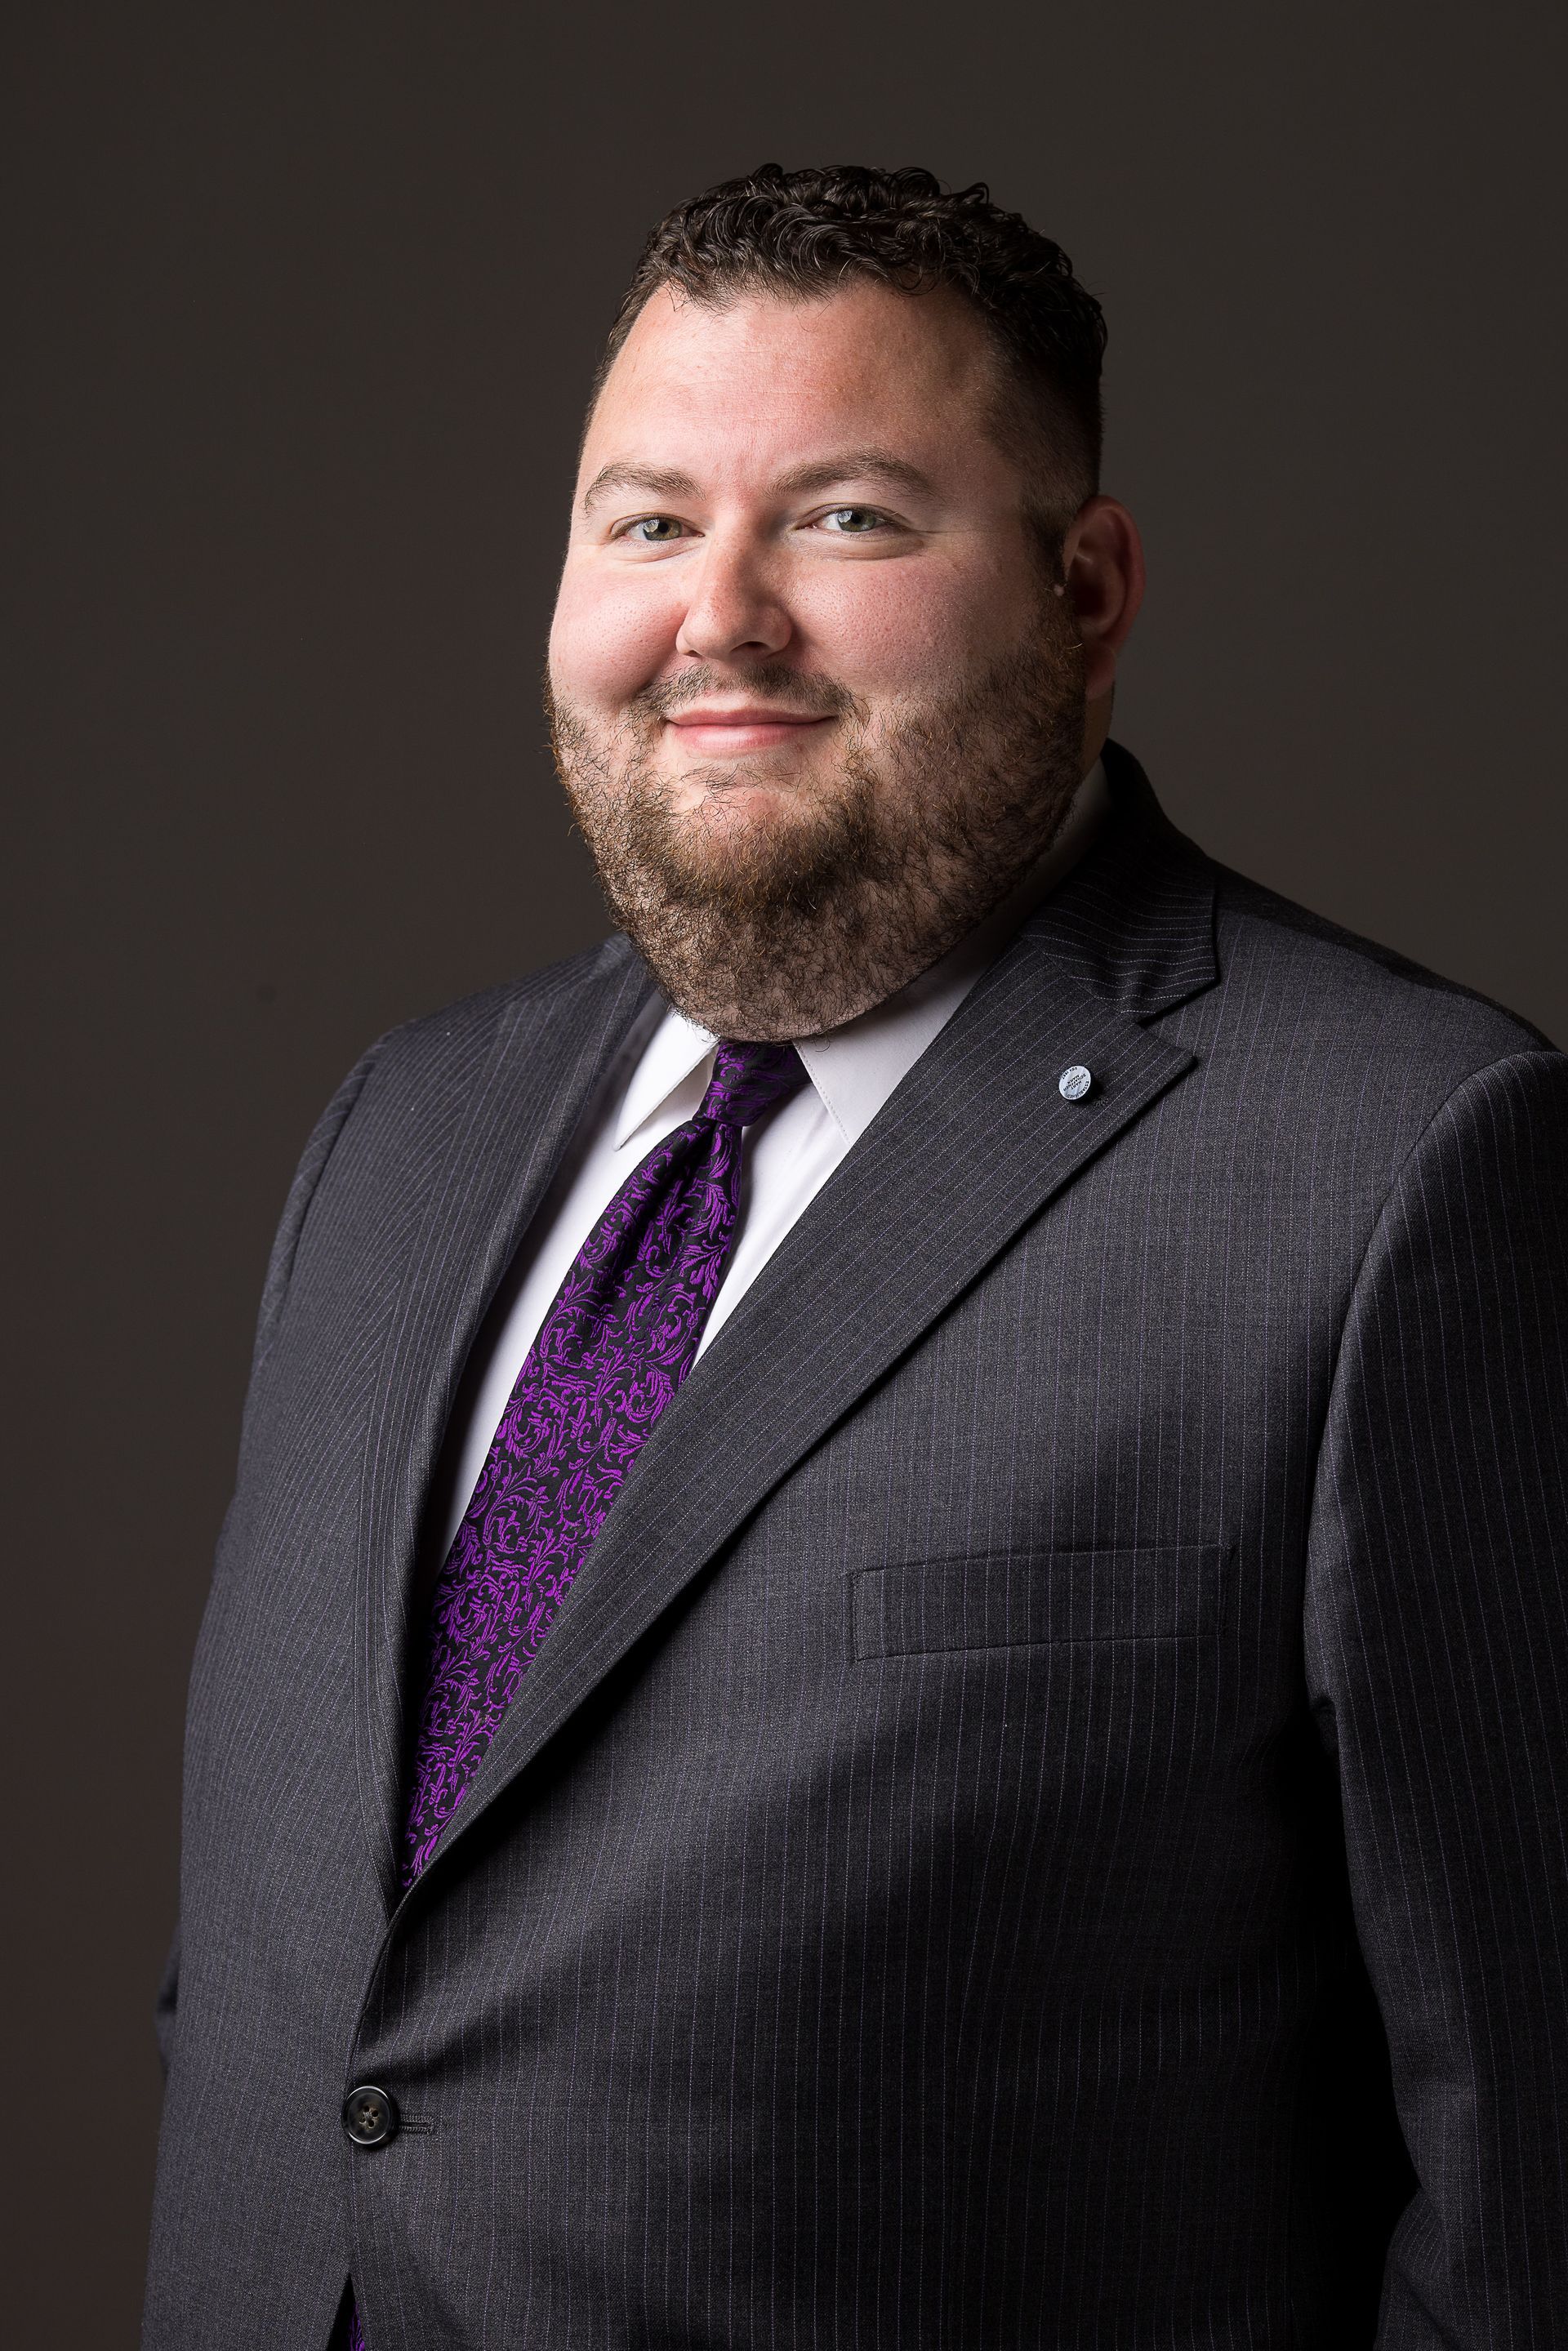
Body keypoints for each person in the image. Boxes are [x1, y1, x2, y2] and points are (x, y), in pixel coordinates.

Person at [143, 165, 1568, 2351]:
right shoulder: (398, 1132)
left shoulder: (1399, 1170)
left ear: (1085, 591)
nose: (719, 616)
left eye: (847, 519)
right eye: (644, 522)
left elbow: (1529, 2181)